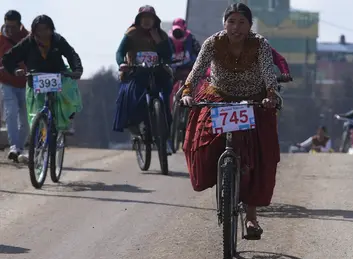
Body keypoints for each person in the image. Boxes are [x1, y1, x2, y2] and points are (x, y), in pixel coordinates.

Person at [181, 3, 280, 239]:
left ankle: (251, 218)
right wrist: (186, 92)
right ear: (224, 23)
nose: (236, 27)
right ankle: (225, 181)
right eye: (231, 22)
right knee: (200, 143)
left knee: (257, 155)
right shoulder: (212, 43)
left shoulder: (260, 44)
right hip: (219, 98)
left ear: (250, 25)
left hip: (253, 101)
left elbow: (268, 73)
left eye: (242, 22)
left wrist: (270, 95)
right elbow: (196, 71)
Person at [1, 15, 83, 163]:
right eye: (39, 30)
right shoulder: (28, 42)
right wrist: (14, 71)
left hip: (58, 75)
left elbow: (72, 55)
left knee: (69, 92)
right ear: (34, 31)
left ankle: (65, 121)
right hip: (36, 78)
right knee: (36, 115)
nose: (43, 33)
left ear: (51, 30)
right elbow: (8, 58)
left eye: (46, 29)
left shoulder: (58, 40)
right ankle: (38, 139)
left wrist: (77, 70)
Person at [114, 5, 173, 154]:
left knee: (165, 100)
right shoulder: (131, 33)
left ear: (155, 20)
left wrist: (158, 42)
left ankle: (164, 139)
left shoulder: (162, 35)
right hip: (136, 71)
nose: (147, 21)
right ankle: (137, 126)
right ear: (139, 20)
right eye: (144, 18)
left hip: (157, 71)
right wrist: (121, 62)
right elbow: (120, 51)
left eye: (150, 18)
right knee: (133, 96)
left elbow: (168, 55)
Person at [0, 10, 29, 162]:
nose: (10, 30)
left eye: (13, 27)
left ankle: (19, 147)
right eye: (7, 26)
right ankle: (13, 147)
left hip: (25, 84)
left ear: (19, 25)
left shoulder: (28, 38)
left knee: (26, 119)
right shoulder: (0, 39)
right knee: (10, 113)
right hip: (6, 83)